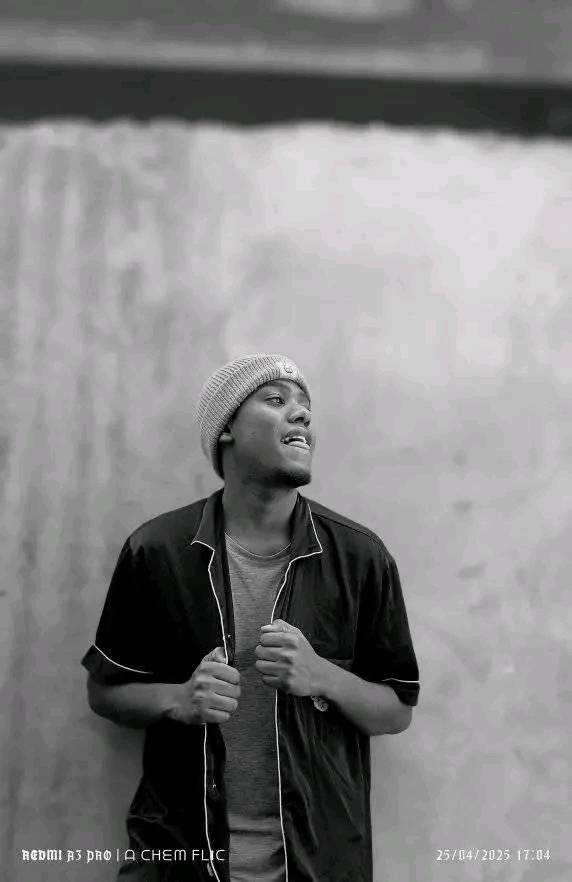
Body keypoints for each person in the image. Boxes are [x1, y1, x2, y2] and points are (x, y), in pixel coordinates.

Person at [82, 352, 420, 882]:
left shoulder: (360, 558)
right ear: (226, 430)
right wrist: (178, 699)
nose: (301, 414)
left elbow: (396, 709)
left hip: (318, 862)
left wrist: (322, 676)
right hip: (181, 857)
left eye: (305, 406)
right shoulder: (158, 551)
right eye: (276, 399)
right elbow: (105, 691)